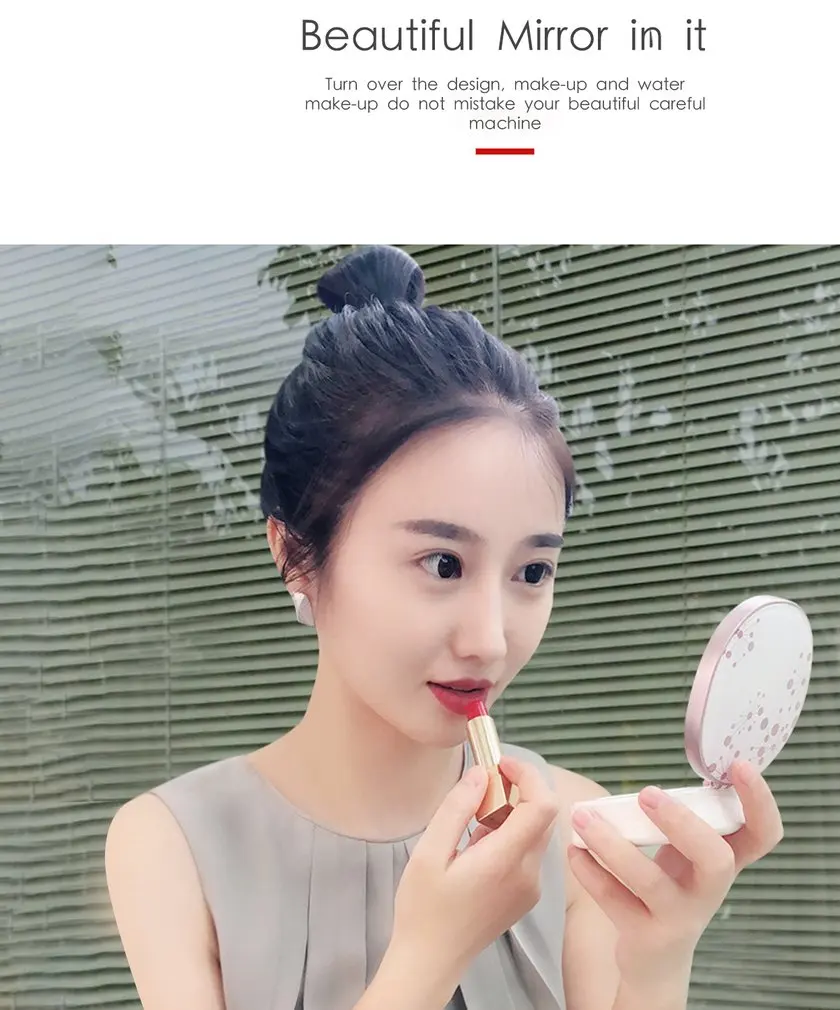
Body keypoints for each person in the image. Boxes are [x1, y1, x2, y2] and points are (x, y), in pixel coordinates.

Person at [104, 246, 784, 1010]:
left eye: (533, 571)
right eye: (443, 564)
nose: (490, 640)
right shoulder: (175, 844)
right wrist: (428, 957)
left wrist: (658, 960)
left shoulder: (574, 825)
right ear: (295, 553)